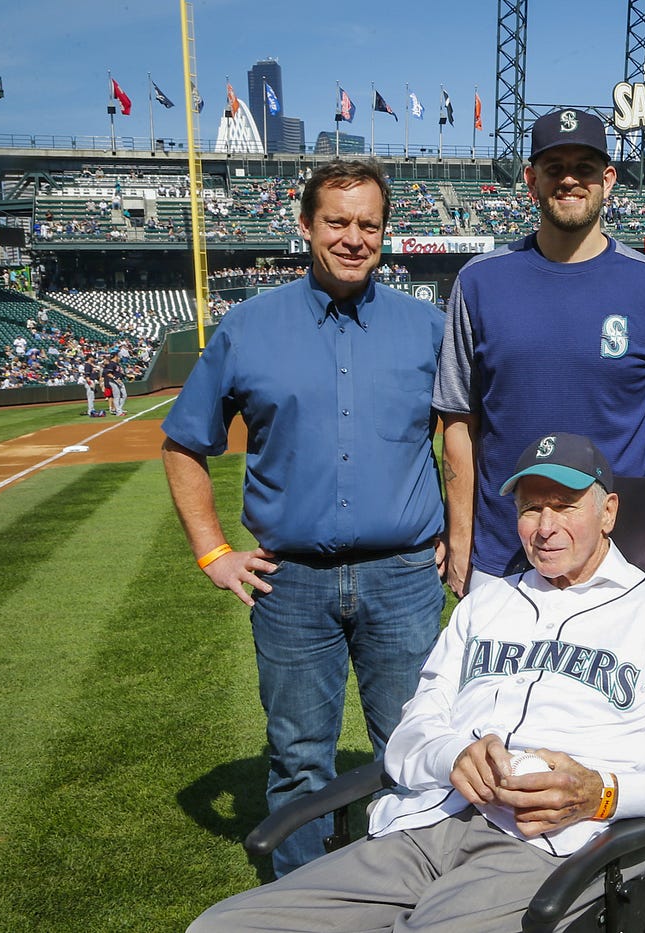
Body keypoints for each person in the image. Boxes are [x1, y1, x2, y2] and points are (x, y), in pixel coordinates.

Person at [189, 432, 645, 933]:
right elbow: (412, 733)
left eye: (565, 506)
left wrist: (602, 794)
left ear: (608, 512)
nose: (545, 527)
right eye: (530, 509)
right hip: (427, 825)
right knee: (219, 926)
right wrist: (452, 755)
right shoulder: (487, 603)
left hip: (556, 850)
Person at [161, 159, 447, 878]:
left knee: (415, 751)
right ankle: (301, 907)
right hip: (290, 585)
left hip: (406, 577)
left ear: (386, 232)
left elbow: (472, 437)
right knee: (297, 762)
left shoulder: (429, 326)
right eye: (337, 222)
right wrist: (212, 551)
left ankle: (416, 898)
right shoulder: (249, 326)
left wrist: (462, 537)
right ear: (305, 227)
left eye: (368, 224)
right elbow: (183, 443)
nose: (353, 238)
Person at [435, 108, 645, 597]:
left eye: (585, 168)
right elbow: (459, 421)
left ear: (608, 179)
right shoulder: (478, 283)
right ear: (531, 180)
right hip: (505, 556)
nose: (569, 180)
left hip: (626, 560)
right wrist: (462, 539)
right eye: (554, 168)